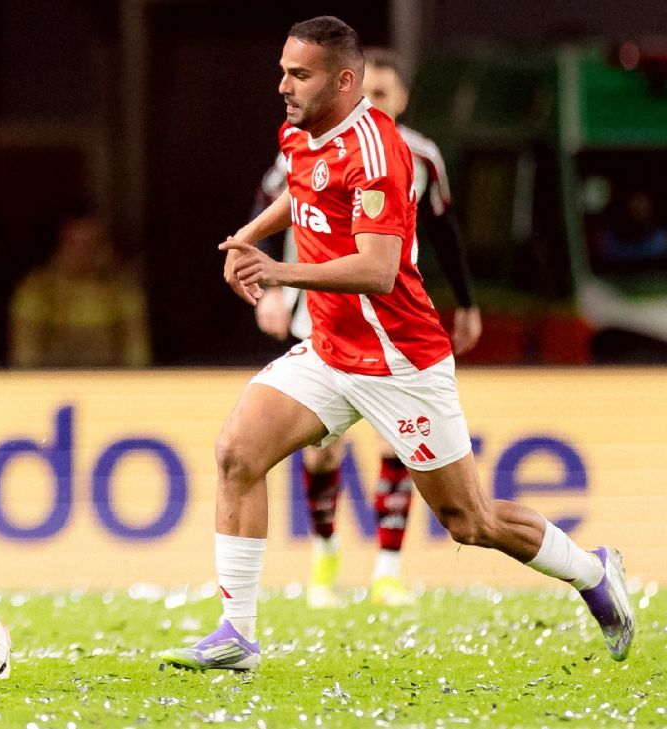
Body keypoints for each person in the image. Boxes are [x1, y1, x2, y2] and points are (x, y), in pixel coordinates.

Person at [161, 16, 633, 673]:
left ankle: (591, 569)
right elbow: (302, 193)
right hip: (330, 349)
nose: (283, 86)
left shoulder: (379, 153)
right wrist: (249, 236)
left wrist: (279, 270)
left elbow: (377, 270)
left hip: (399, 360)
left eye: (299, 74)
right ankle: (237, 633)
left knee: (470, 520)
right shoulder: (302, 130)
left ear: (345, 81)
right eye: (283, 71)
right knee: (238, 452)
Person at [251, 47, 482, 609]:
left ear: (400, 99)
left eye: (381, 95)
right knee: (319, 453)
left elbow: (444, 231)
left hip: (392, 322)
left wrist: (467, 304)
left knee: (397, 446)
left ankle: (387, 568)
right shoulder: (309, 142)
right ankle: (325, 555)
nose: (369, 105)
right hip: (323, 315)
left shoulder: (418, 155)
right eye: (364, 93)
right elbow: (276, 199)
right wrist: (274, 287)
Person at [8, 208, 150, 368]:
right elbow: (25, 355)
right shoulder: (37, 289)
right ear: (60, 246)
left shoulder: (122, 289)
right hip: (54, 385)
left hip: (108, 383)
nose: (82, 253)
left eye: (90, 244)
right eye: (73, 244)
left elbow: (136, 352)